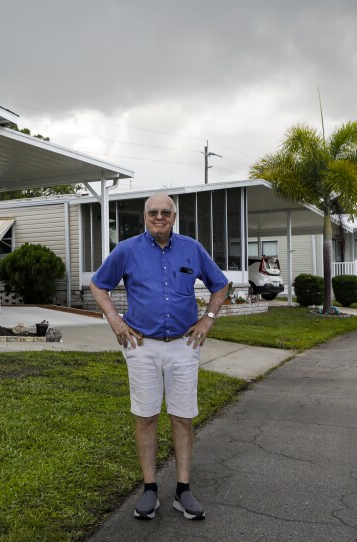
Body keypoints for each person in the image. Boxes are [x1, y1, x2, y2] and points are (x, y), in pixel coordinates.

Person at [90, 192, 229, 521]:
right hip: (142, 347)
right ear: (144, 215)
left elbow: (219, 286)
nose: (159, 217)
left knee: (182, 417)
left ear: (174, 216)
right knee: (146, 417)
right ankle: (149, 490)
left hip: (183, 346)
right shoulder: (127, 250)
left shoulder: (191, 248)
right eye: (153, 212)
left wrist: (207, 320)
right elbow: (99, 285)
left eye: (166, 212)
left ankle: (183, 490)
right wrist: (115, 320)